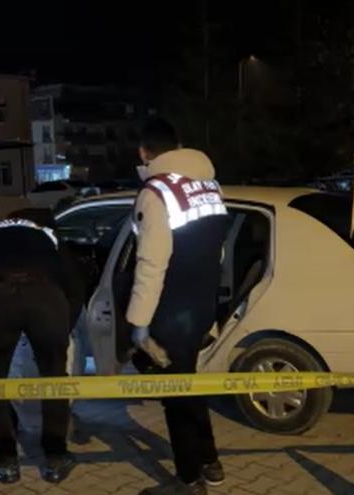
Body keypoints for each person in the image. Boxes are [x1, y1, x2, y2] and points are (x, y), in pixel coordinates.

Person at [127, 118, 231, 495]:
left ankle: (189, 480)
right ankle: (210, 461)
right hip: (200, 307)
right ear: (179, 145)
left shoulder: (156, 192)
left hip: (170, 312)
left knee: (175, 395)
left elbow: (151, 264)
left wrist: (139, 323)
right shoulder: (210, 186)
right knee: (189, 384)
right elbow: (218, 252)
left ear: (144, 152)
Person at [0, 212, 86, 485]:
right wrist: (63, 326)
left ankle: (5, 459)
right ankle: (55, 456)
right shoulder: (47, 234)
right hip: (44, 295)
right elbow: (75, 285)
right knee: (54, 377)